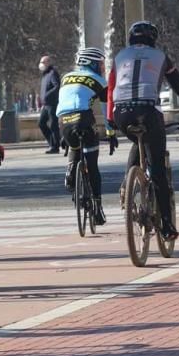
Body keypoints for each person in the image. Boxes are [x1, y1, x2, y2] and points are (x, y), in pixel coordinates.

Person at [106, 21, 179, 241]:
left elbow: (111, 89)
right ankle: (167, 226)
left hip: (122, 113)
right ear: (152, 39)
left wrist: (111, 120)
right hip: (148, 112)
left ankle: (127, 182)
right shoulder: (160, 57)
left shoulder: (119, 57)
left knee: (136, 140)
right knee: (158, 169)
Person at [57, 46, 112, 225]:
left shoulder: (66, 77)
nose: (103, 68)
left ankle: (71, 168)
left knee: (74, 145)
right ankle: (97, 208)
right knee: (92, 164)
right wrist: (111, 132)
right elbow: (106, 109)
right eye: (100, 64)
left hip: (63, 120)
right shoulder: (99, 80)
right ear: (92, 64)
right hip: (83, 118)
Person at [37, 55, 62, 153]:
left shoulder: (52, 73)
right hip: (45, 104)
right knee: (41, 123)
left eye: (43, 62)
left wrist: (47, 95)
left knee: (53, 125)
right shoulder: (45, 74)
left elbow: (57, 86)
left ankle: (55, 147)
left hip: (52, 103)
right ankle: (52, 143)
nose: (41, 64)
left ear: (48, 63)